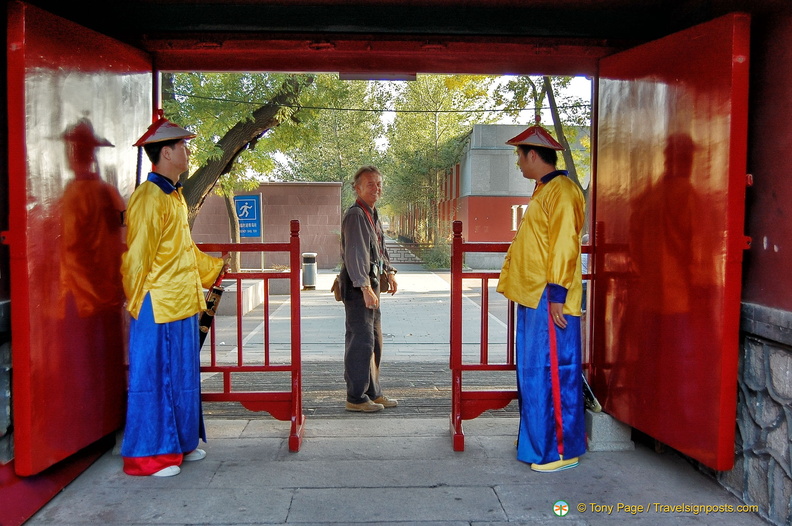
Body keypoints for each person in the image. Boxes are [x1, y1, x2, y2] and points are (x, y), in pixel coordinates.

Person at [120, 115, 226, 477]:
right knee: (155, 377)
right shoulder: (149, 197)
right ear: (166, 153)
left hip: (180, 301)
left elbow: (183, 250)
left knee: (181, 375)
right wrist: (136, 303)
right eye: (183, 146)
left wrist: (214, 267)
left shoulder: (174, 197)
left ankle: (179, 444)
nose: (188, 151)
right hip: (157, 303)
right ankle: (149, 456)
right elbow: (137, 257)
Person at [497, 124, 586, 472]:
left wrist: (557, 295)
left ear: (533, 155)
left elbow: (565, 245)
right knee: (536, 373)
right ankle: (538, 443)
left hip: (550, 299)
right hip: (537, 297)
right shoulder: (544, 190)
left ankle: (559, 451)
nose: (518, 163)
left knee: (552, 373)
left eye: (519, 156)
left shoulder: (561, 190)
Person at [339, 165, 399, 412]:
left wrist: (389, 273)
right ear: (357, 188)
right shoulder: (355, 214)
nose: (376, 188)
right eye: (370, 184)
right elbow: (356, 253)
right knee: (361, 340)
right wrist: (364, 287)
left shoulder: (371, 213)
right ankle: (355, 397)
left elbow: (379, 249)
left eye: (378, 183)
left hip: (370, 283)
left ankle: (373, 392)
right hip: (358, 284)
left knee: (374, 340)